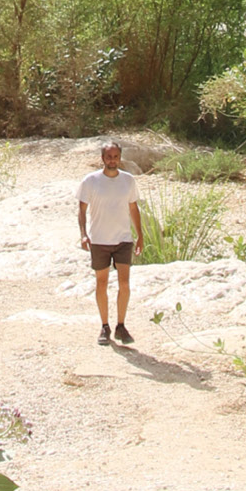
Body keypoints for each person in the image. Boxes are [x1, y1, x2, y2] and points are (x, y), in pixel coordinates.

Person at [75, 141, 143, 346]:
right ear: (103, 158)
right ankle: (104, 326)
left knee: (124, 283)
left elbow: (133, 208)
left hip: (123, 239)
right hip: (99, 240)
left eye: (115, 156)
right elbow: (82, 209)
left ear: (120, 158)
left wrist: (140, 235)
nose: (112, 160)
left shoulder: (128, 181)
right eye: (109, 157)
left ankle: (121, 325)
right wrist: (83, 234)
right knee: (102, 283)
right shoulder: (91, 181)